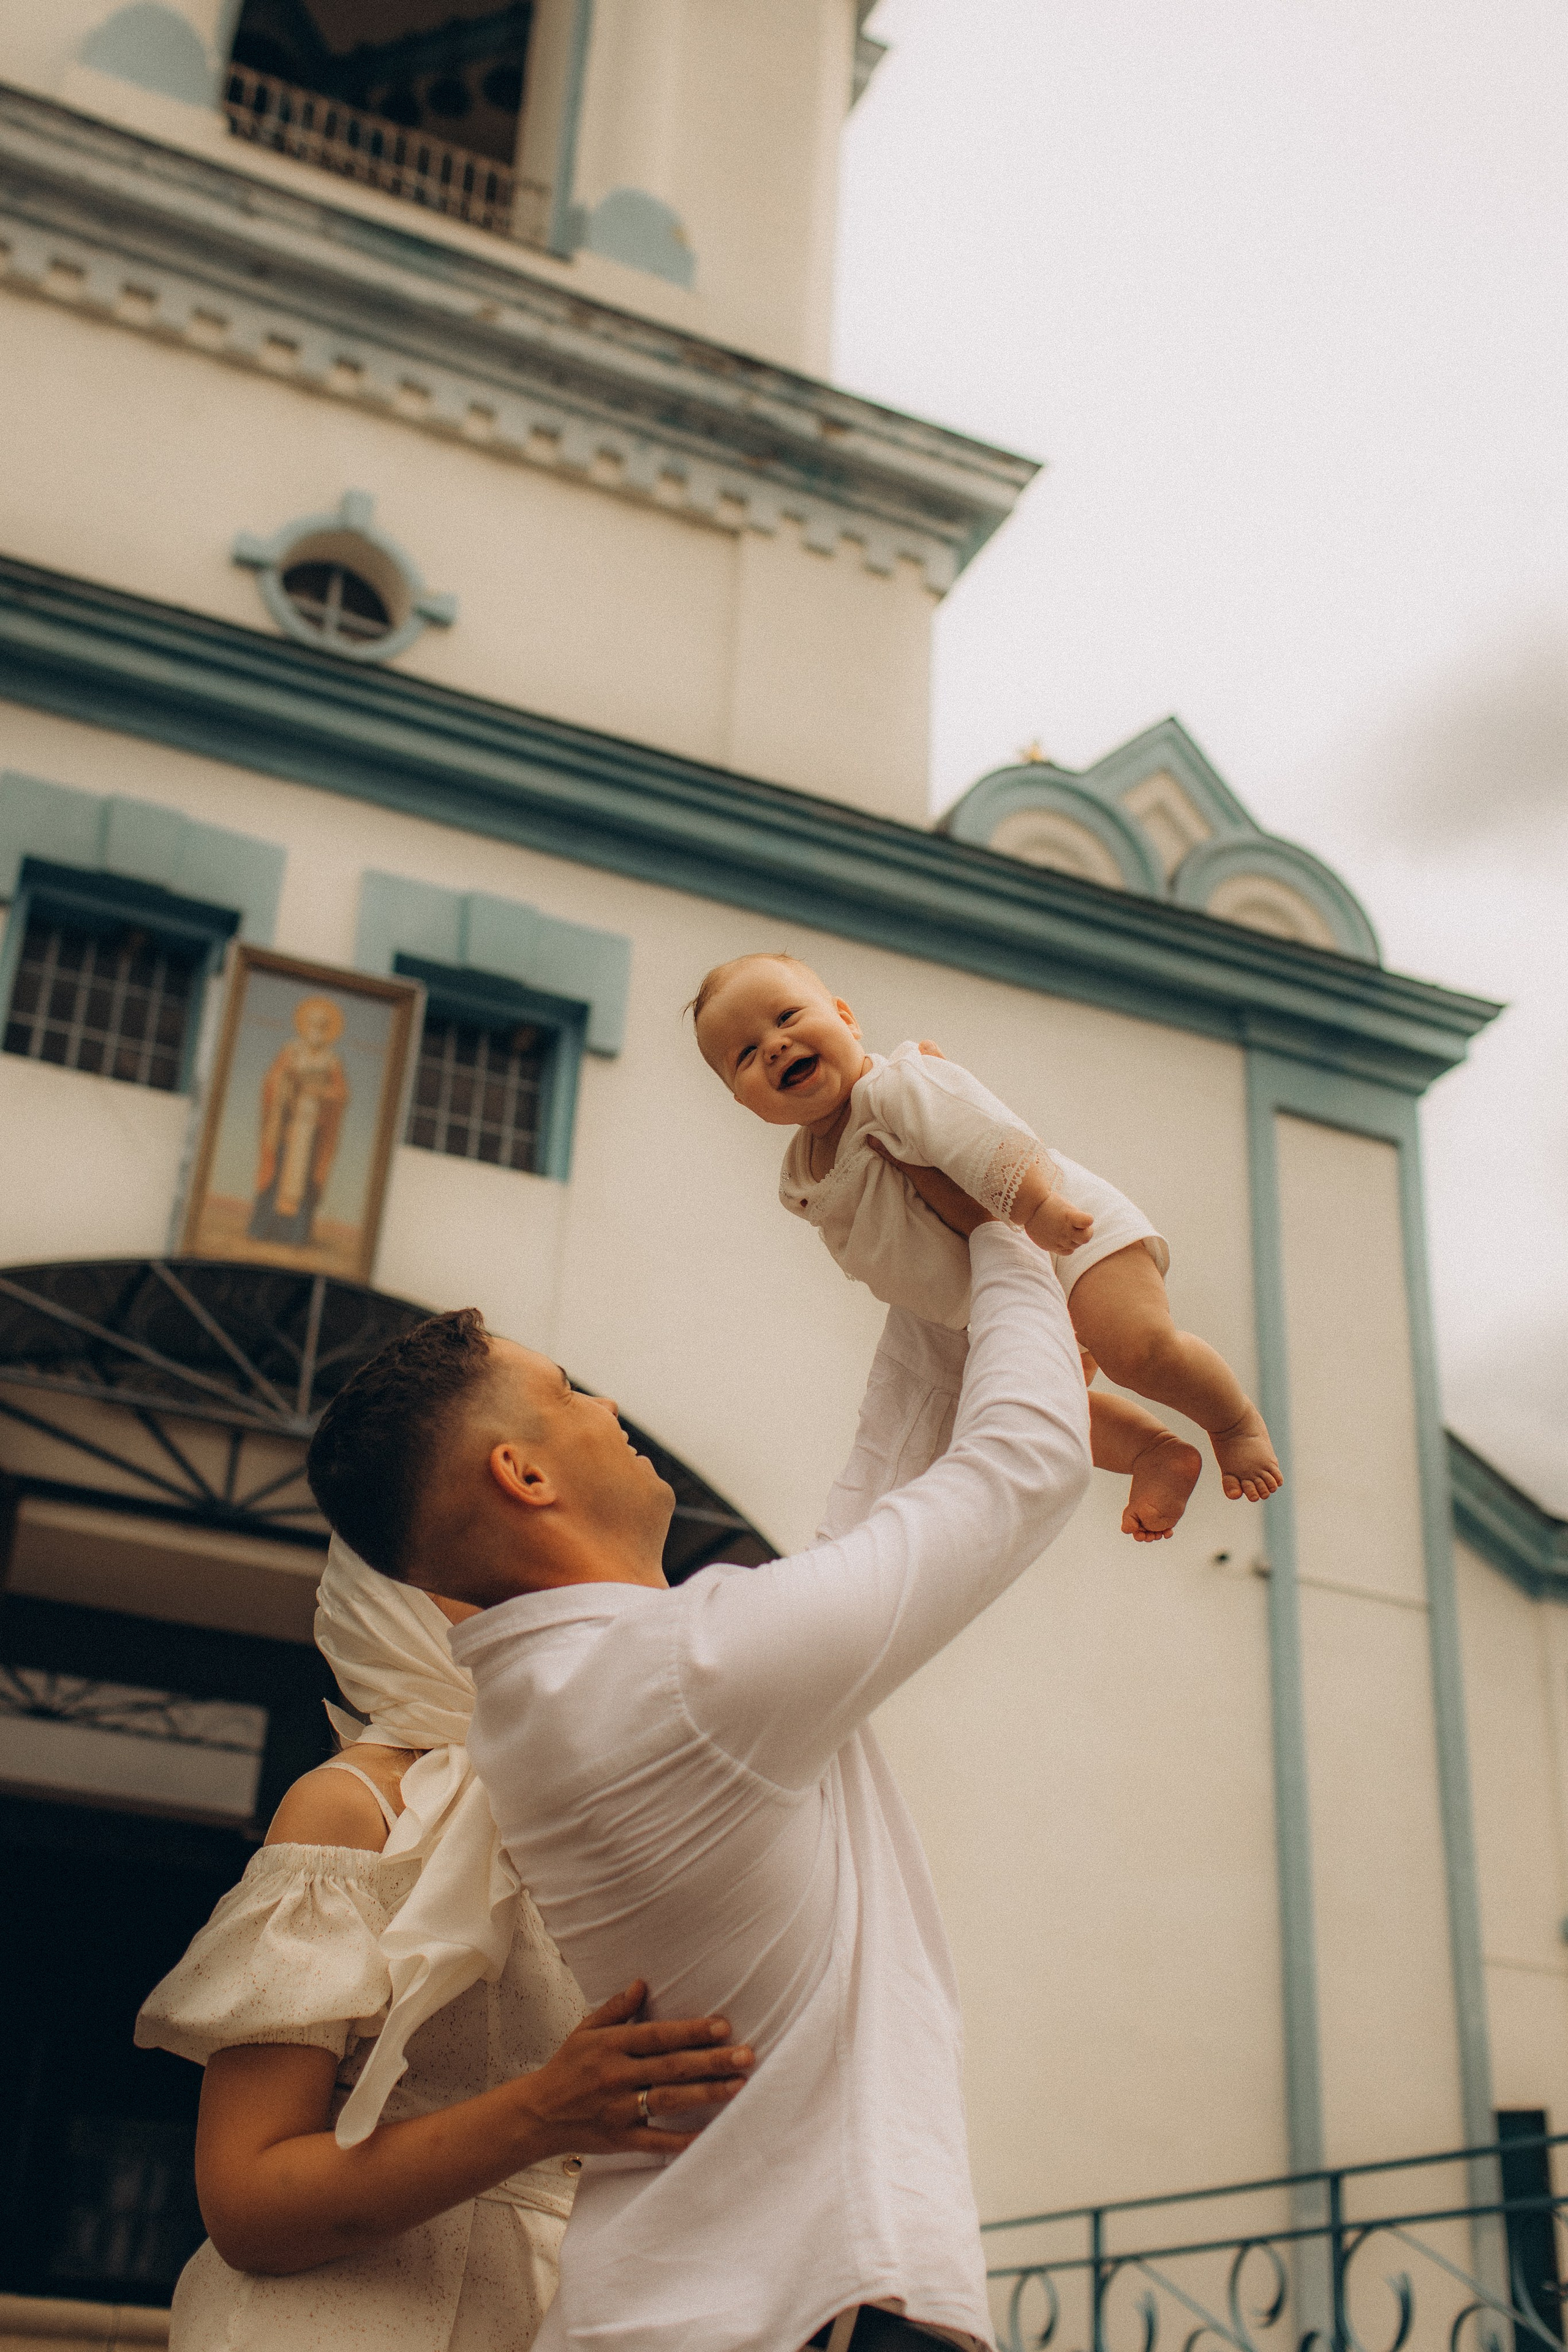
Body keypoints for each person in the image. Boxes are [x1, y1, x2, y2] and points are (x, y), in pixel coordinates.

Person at [301, 1156, 1096, 2352]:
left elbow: (864, 1530)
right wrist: (1005, 1221)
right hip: (805, 2311)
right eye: (566, 1391)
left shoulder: (567, 1700)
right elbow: (1023, 1469)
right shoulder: (685, 1675)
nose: (606, 1406)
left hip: (714, 2309)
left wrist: (915, 1231)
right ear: (522, 1472)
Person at [135, 1536, 755, 2352]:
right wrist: (544, 2112)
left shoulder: (628, 1821)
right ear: (396, 1601)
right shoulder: (353, 1809)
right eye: (505, 1578)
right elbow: (247, 2208)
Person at [688, 952, 1282, 1539]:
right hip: (993, 1296)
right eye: (746, 1054)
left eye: (787, 1017)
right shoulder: (801, 1177)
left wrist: (1037, 1207)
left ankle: (1233, 1423)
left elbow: (977, 1134)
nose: (774, 1046)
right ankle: (1152, 1452)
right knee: (1032, 1404)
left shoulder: (895, 1087)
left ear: (846, 1019)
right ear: (742, 1098)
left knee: (1136, 1350)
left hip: (1062, 1228)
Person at [248, 993, 349, 1245]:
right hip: (286, 1124)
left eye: (322, 1026)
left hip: (313, 1128)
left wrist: (318, 1092)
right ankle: (264, 1229)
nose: (317, 1030)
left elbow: (340, 1094)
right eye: (313, 1024)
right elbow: (272, 1080)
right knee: (276, 1172)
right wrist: (286, 1080)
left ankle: (295, 1236)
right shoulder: (291, 1051)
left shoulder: (331, 1060)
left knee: (304, 1181)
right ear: (305, 1026)